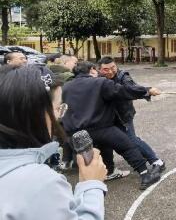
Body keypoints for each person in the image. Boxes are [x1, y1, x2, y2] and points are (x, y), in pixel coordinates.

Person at [0, 65, 107, 220]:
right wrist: (91, 185)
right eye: (57, 108)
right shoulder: (39, 183)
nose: (59, 117)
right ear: (36, 114)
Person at [61, 62, 162, 190]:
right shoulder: (100, 82)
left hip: (76, 133)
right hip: (101, 128)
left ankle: (106, 173)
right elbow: (123, 91)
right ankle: (145, 174)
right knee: (127, 146)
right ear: (92, 70)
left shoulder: (66, 87)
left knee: (101, 148)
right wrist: (146, 91)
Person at [97, 57, 165, 172]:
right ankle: (109, 169)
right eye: (106, 69)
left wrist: (147, 90)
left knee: (131, 140)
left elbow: (131, 88)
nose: (110, 71)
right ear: (99, 70)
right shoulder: (97, 79)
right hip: (106, 118)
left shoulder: (123, 76)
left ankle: (156, 161)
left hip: (123, 116)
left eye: (113, 67)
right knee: (108, 143)